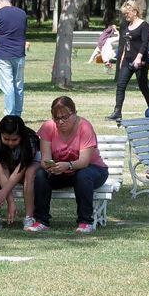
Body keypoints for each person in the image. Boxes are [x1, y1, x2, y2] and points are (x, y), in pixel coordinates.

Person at [29, 97, 109, 234]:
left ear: (74, 113)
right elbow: (45, 159)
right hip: (62, 170)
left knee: (83, 175)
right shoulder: (48, 127)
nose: (60, 122)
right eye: (57, 118)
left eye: (65, 117)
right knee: (41, 174)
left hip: (93, 169)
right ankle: (41, 221)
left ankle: (85, 222)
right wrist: (50, 166)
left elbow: (84, 161)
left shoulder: (84, 126)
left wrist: (68, 165)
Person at [0, 115, 40, 231]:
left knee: (30, 172)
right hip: (7, 169)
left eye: (14, 139)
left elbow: (19, 171)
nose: (10, 143)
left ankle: (29, 217)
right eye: (6, 139)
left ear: (21, 137)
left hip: (27, 168)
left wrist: (4, 192)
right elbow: (1, 171)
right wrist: (10, 202)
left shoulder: (30, 141)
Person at [107, 1, 149, 121]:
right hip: (127, 60)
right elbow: (125, 44)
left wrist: (139, 57)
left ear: (135, 11)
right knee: (120, 86)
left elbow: (145, 43)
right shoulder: (125, 26)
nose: (125, 16)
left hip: (140, 61)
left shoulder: (144, 25)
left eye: (127, 13)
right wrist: (121, 59)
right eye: (124, 14)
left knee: (143, 86)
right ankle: (117, 112)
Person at [0, 0, 28, 117]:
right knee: (18, 85)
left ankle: (9, 115)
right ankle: (18, 114)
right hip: (19, 54)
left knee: (8, 86)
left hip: (4, 54)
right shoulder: (22, 13)